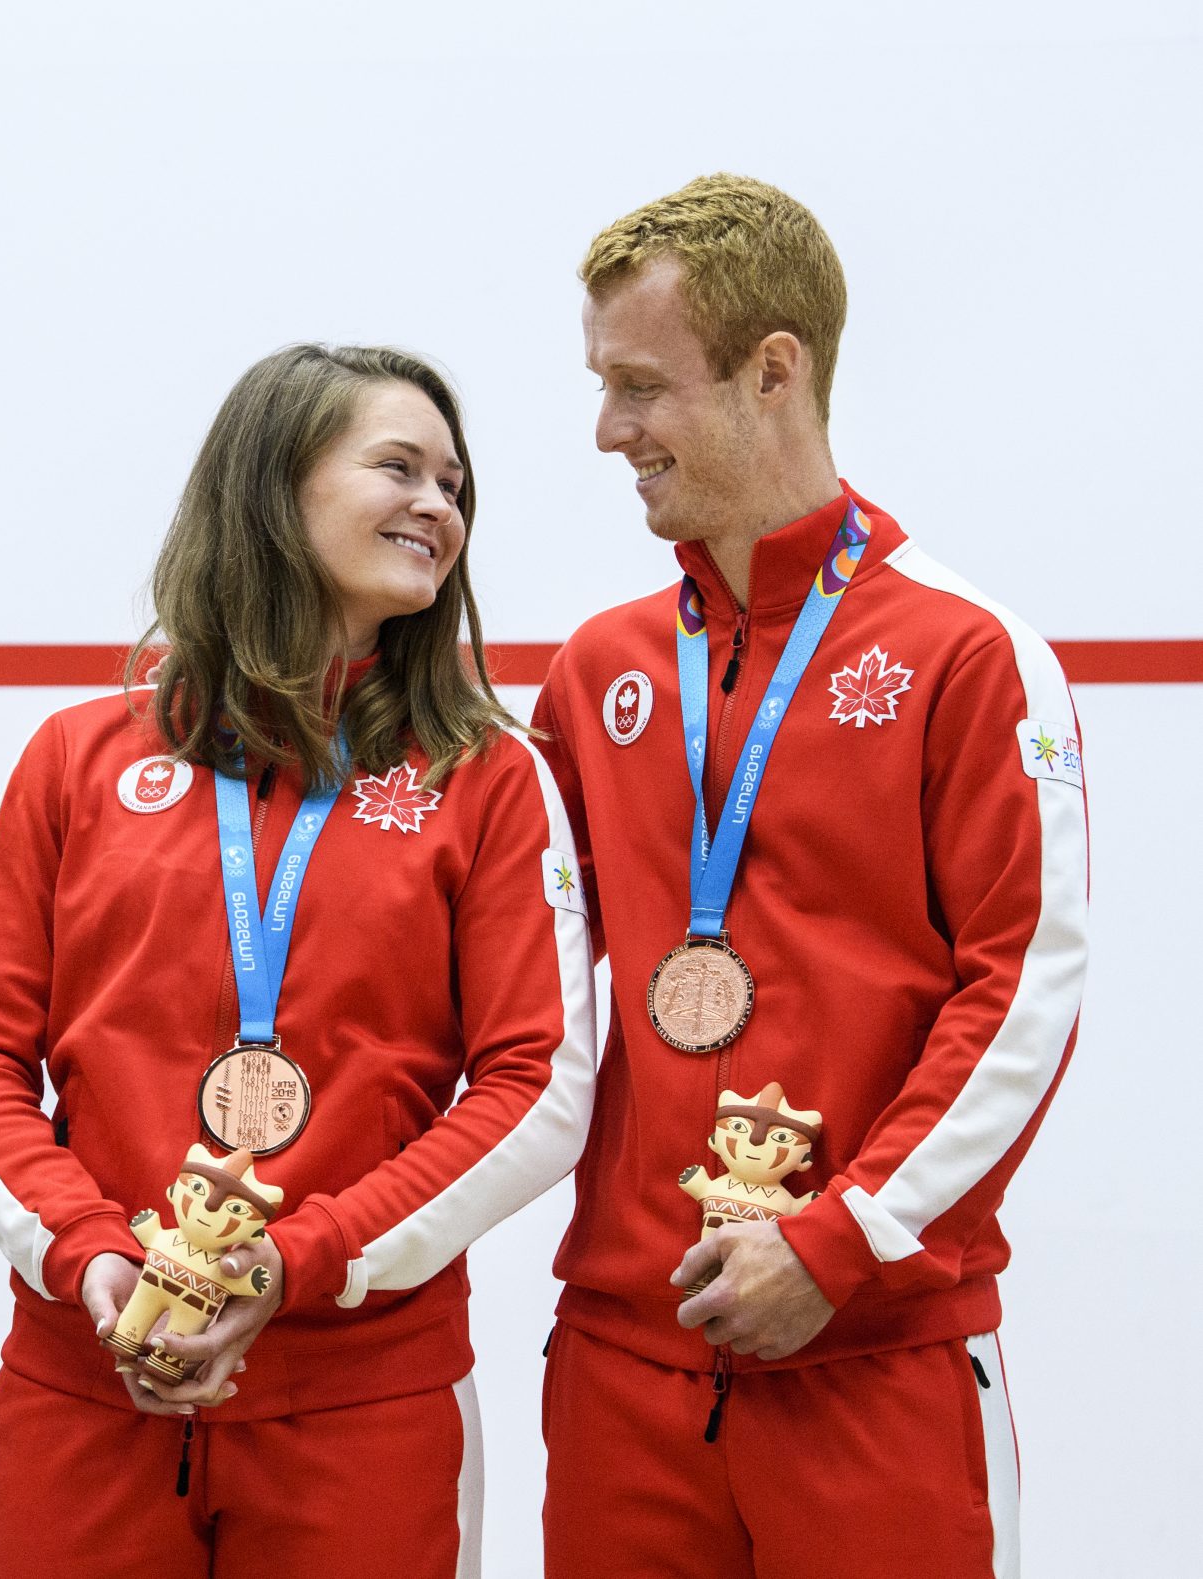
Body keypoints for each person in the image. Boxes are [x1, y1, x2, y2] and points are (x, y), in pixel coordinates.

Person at [0, 343, 596, 1578]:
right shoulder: (75, 758)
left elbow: (537, 1085)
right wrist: (91, 1254)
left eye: (455, 483)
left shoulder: (488, 776)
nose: (438, 505)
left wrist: (302, 1259)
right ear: (272, 485)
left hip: (364, 1406)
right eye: (399, 466)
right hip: (84, 1392)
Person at [533, 175, 1088, 1578]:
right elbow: (497, 988)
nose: (609, 432)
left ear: (774, 370)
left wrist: (844, 1237)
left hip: (874, 1352)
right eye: (603, 387)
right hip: (623, 1369)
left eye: (641, 386)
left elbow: (1020, 991)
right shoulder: (596, 671)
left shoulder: (969, 652)